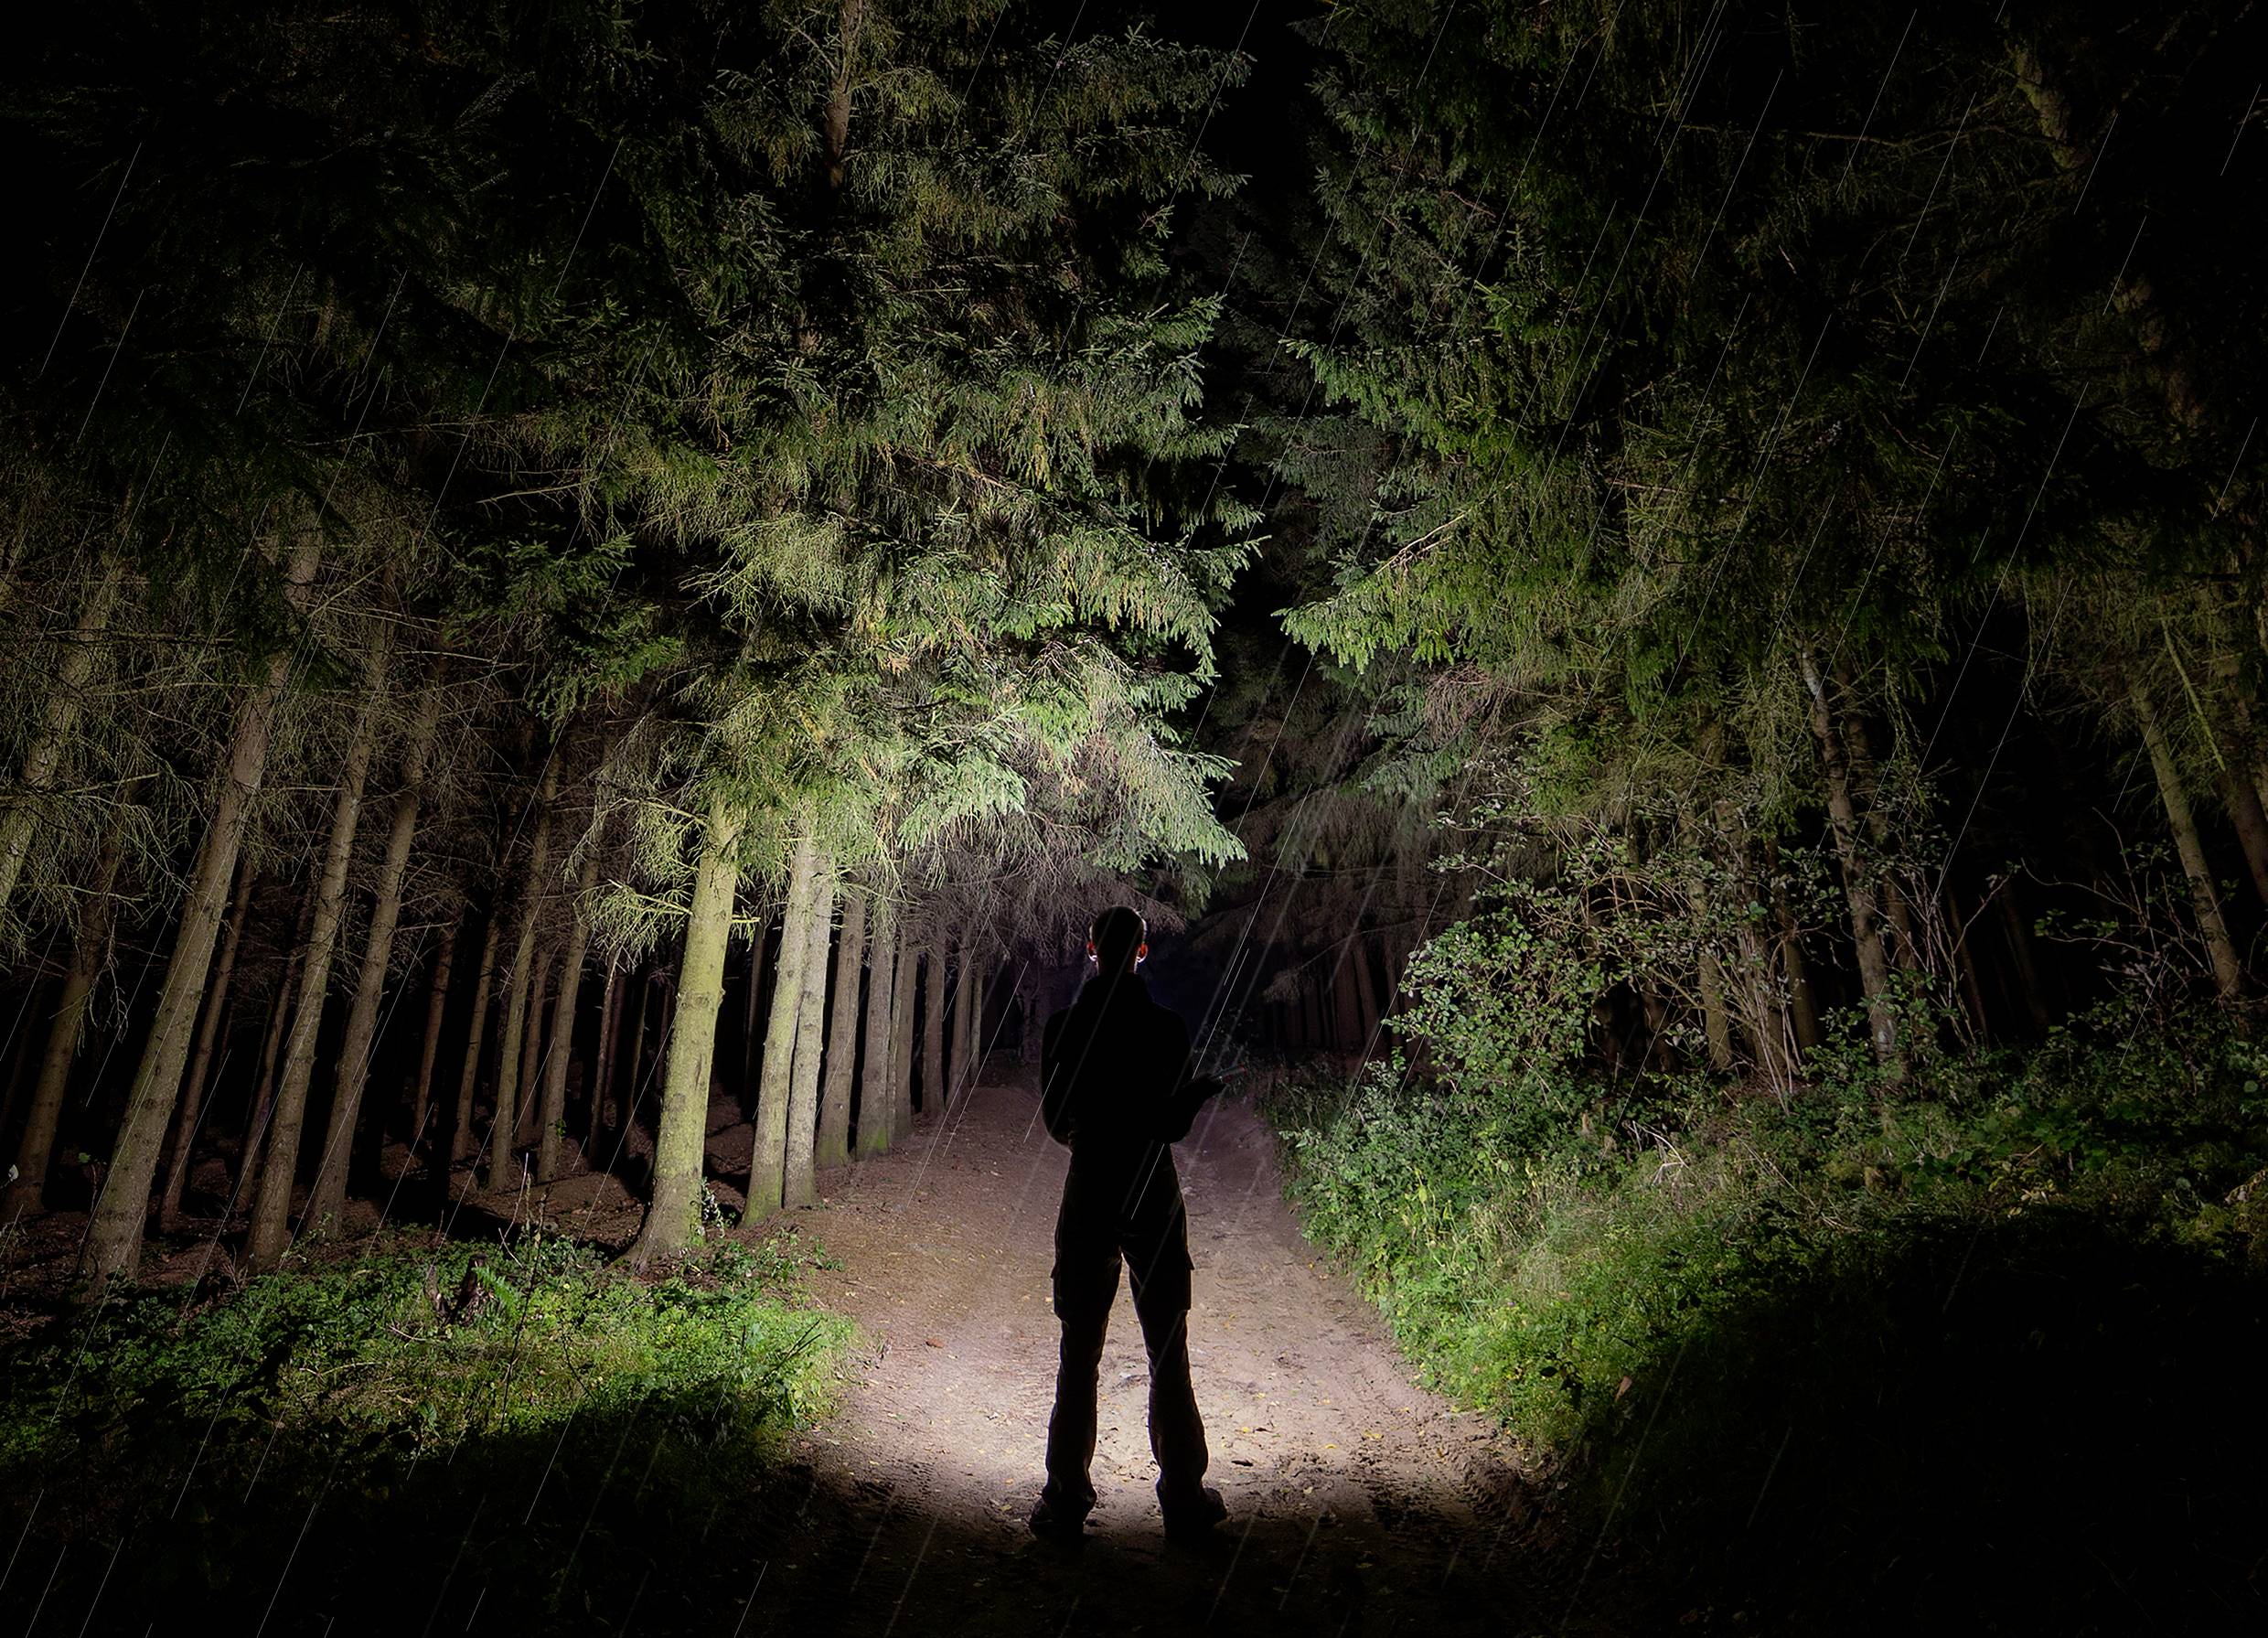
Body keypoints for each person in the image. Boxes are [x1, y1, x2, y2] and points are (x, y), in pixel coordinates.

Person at [1029, 905, 1227, 1547]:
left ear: (1092, 949)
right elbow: (1171, 1126)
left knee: (1078, 1351)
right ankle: (1184, 1499)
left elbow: (1056, 1121)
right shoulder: (1166, 1028)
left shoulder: (1063, 1026)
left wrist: (1096, 1142)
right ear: (1142, 951)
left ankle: (1065, 1501)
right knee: (1168, 1348)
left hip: (1090, 1185)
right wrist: (1186, 1101)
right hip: (1151, 1187)